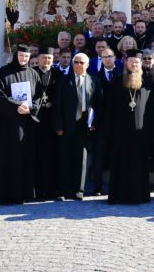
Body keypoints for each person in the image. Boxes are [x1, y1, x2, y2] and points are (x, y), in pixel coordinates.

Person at [105, 50, 154, 204]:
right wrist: (110, 130)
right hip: (121, 131)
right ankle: (119, 196)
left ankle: (138, 196)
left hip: (141, 132)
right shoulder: (117, 81)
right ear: (126, 63)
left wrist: (152, 131)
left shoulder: (147, 82)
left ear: (141, 64)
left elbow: (152, 109)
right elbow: (110, 108)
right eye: (132, 61)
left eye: (137, 62)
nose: (134, 64)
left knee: (139, 164)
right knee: (121, 163)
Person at [0, 45, 39, 205]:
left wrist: (31, 108)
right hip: (7, 124)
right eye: (21, 56)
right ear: (16, 55)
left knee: (24, 158)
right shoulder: (3, 72)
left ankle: (22, 193)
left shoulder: (33, 73)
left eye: (26, 56)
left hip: (26, 124)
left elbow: (39, 96)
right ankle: (5, 195)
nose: (24, 59)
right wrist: (16, 106)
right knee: (7, 159)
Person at [54, 53, 102, 201]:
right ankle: (63, 190)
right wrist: (58, 126)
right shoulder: (63, 79)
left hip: (84, 125)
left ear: (87, 65)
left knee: (81, 158)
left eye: (82, 62)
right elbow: (57, 104)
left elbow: (99, 104)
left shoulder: (94, 80)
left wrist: (94, 123)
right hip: (66, 125)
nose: (79, 65)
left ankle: (78, 190)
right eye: (76, 62)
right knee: (64, 157)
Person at [89, 46, 121, 195]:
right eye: (104, 57)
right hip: (100, 122)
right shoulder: (95, 76)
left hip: (118, 122)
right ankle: (97, 186)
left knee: (117, 154)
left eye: (109, 56)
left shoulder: (122, 74)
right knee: (98, 155)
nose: (107, 59)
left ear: (115, 58)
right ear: (100, 59)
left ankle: (117, 185)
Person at [33, 46, 61, 200]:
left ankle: (51, 189)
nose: (47, 60)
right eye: (44, 57)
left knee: (51, 156)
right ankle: (37, 190)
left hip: (52, 121)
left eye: (49, 58)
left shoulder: (57, 74)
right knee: (37, 156)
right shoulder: (32, 73)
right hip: (36, 121)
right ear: (38, 59)